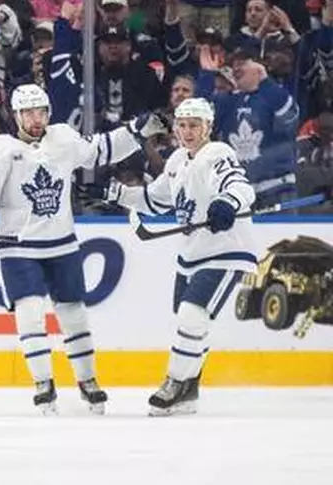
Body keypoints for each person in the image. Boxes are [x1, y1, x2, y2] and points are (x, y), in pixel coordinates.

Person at [0, 84, 168, 414]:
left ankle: (88, 381)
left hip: (62, 243)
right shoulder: (0, 149)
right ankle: (44, 385)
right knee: (29, 313)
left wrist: (137, 129)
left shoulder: (62, 138)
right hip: (19, 247)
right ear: (16, 115)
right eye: (28, 113)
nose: (36, 119)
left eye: (41, 112)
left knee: (74, 314)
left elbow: (101, 150)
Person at [103, 98, 256, 416]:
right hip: (193, 252)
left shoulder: (217, 153)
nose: (187, 132)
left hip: (226, 250)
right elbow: (155, 201)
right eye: (182, 125)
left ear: (208, 127)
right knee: (191, 323)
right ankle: (189, 393)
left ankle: (174, 382)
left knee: (191, 314)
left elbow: (239, 185)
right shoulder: (175, 161)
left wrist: (227, 201)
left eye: (194, 125)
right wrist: (117, 194)